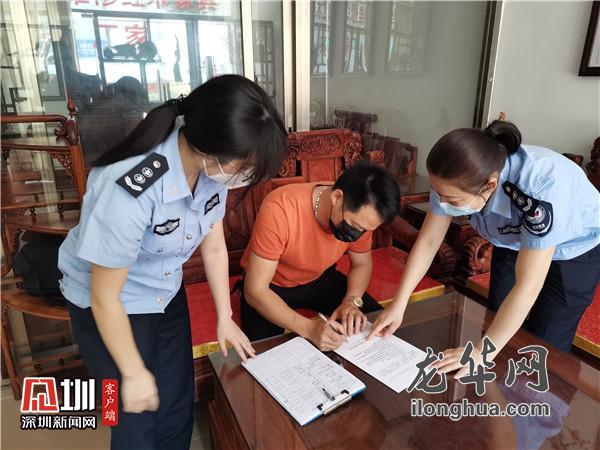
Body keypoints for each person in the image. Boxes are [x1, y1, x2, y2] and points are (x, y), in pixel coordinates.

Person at [58, 75, 287, 450]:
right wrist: (132, 372)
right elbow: (104, 298)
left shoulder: (212, 172)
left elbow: (213, 247)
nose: (246, 175)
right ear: (211, 150)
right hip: (106, 304)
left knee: (176, 402)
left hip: (163, 292)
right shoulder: (130, 187)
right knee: (129, 414)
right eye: (246, 165)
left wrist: (225, 316)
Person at [369, 120, 600, 378]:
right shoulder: (451, 179)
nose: (442, 204)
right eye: (438, 194)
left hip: (573, 252)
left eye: (452, 200)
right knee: (496, 321)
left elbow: (528, 286)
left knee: (543, 345)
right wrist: (399, 304)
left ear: (489, 185)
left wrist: (480, 352)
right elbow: (429, 241)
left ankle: (534, 399)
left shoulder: (539, 188)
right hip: (511, 241)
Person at [241, 162, 401, 350]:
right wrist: (308, 328)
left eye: (365, 230)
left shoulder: (364, 216)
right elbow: (255, 290)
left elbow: (361, 264)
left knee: (374, 325)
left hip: (320, 278)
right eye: (355, 226)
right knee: (267, 352)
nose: (359, 233)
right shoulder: (281, 208)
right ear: (337, 197)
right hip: (272, 285)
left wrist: (351, 300)